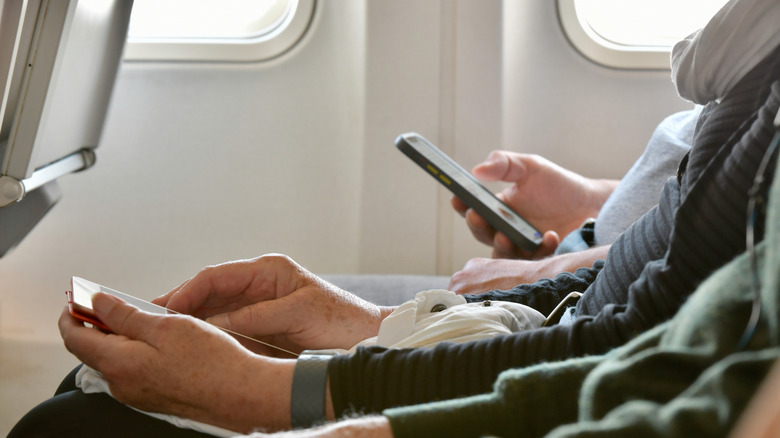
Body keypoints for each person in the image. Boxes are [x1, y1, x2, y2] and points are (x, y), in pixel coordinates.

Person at [9, 0, 780, 435]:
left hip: (556, 363)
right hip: (556, 333)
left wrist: (279, 393)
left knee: (71, 431)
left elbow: (633, 348)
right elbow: (646, 289)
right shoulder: (749, 83)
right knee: (91, 396)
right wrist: (376, 325)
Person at [448, 105, 698, 294]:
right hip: (592, 257)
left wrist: (537, 277)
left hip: (603, 290)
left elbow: (695, 241)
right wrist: (596, 203)